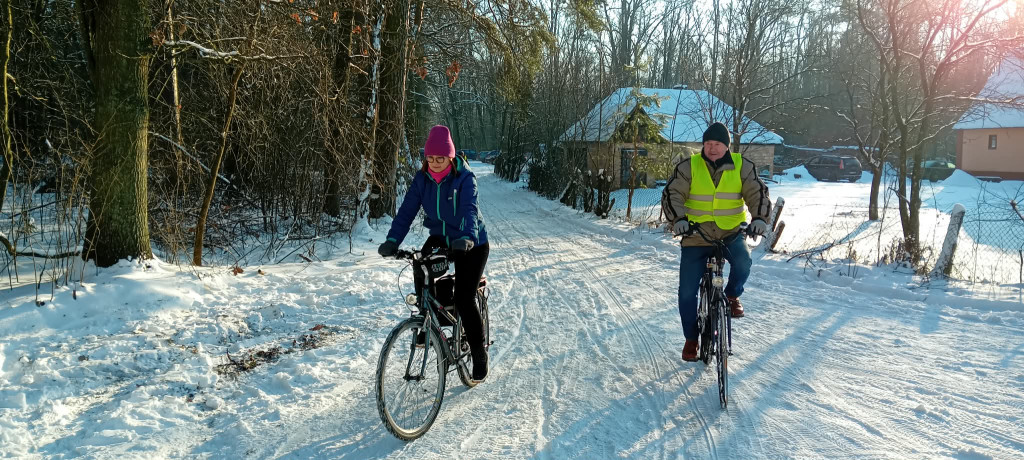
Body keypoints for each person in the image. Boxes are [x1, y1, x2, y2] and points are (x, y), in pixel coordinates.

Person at [378, 125, 491, 381]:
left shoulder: (464, 178)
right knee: (421, 264)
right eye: (430, 158)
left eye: (440, 158)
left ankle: (478, 353)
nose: (435, 163)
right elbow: (407, 211)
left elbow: (469, 210)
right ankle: (424, 319)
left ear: (450, 157)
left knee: (464, 296)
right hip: (440, 236)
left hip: (471, 241)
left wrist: (466, 238)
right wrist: (393, 240)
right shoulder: (422, 180)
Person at [661, 121, 771, 362]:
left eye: (718, 144)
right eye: (708, 143)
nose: (712, 148)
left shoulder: (742, 166)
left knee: (743, 262)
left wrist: (760, 218)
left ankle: (732, 295)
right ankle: (691, 339)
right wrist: (678, 219)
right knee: (687, 292)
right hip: (696, 235)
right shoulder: (689, 166)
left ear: (727, 146)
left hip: (730, 233)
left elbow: (756, 192)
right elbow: (673, 193)